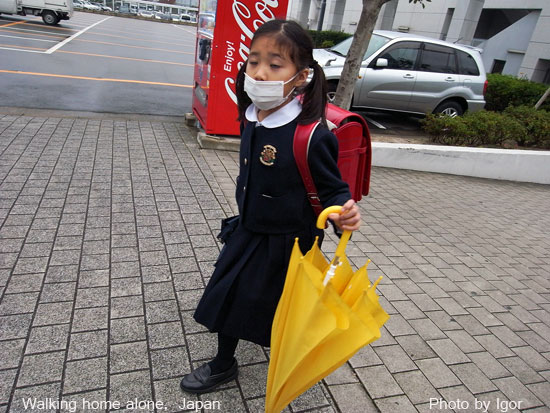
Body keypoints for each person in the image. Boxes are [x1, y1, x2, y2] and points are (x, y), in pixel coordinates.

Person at [180, 19, 361, 394]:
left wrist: (344, 212)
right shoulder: (252, 115)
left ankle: (290, 355)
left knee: (283, 306)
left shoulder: (310, 134)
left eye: (275, 64)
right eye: (253, 60)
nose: (260, 72)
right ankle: (224, 362)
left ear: (302, 76)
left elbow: (333, 189)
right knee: (231, 293)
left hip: (289, 241)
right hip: (249, 228)